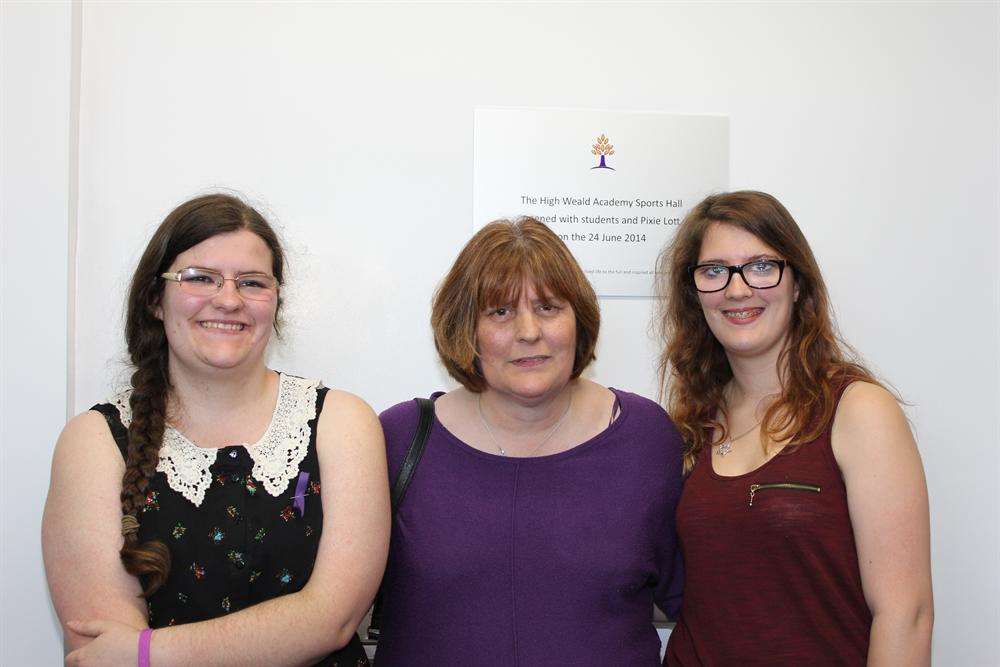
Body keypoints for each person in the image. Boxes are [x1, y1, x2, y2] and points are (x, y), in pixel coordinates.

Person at [43, 194, 389, 666]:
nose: (228, 300)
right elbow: (101, 653)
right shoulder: (94, 443)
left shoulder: (342, 422)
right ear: (154, 300)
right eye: (199, 278)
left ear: (275, 302)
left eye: (251, 282)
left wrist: (147, 654)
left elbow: (332, 620)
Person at [374, 217, 684, 665]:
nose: (528, 331)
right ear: (466, 327)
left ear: (578, 319)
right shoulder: (398, 441)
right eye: (500, 311)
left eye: (548, 307)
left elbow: (699, 604)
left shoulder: (646, 438)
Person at [656, 191, 933, 665]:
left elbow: (906, 616)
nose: (737, 289)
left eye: (762, 266)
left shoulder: (858, 411)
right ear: (695, 293)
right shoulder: (690, 424)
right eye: (715, 271)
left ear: (798, 282)